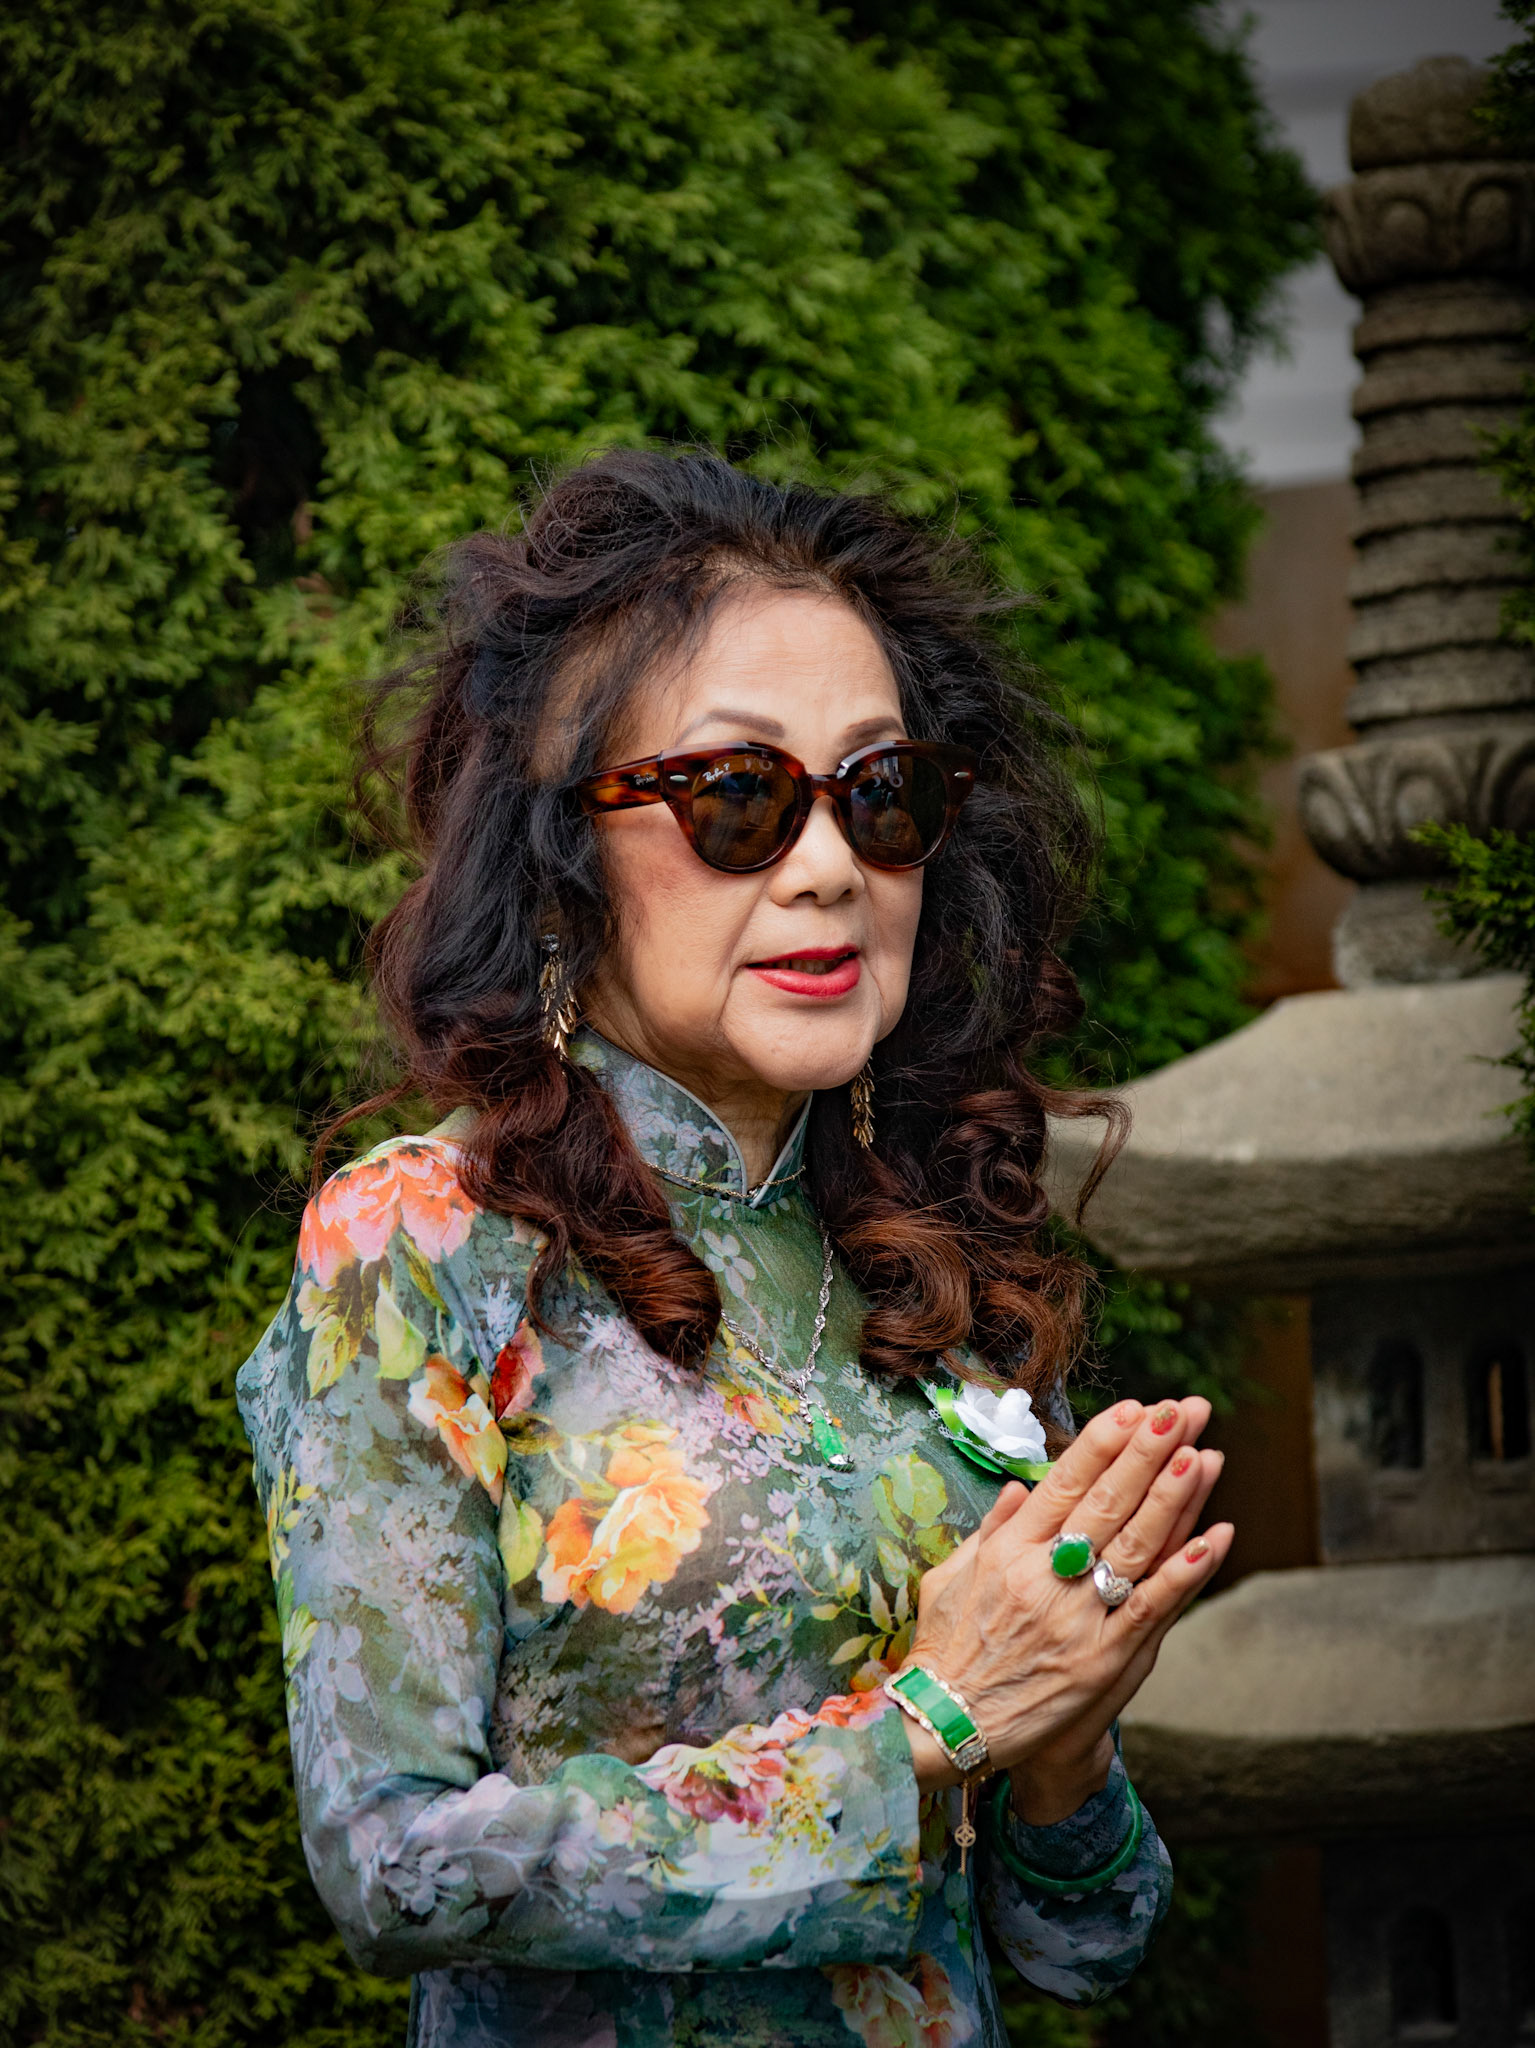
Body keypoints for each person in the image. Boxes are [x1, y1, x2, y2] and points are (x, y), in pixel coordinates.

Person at [237, 449, 1232, 2048]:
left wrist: (1061, 1735)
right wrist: (923, 1731)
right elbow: (395, 1866)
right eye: (739, 798)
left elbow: (1081, 1942)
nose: (830, 865)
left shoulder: (931, 1254)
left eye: (881, 792)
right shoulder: (426, 1243)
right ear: (564, 854)